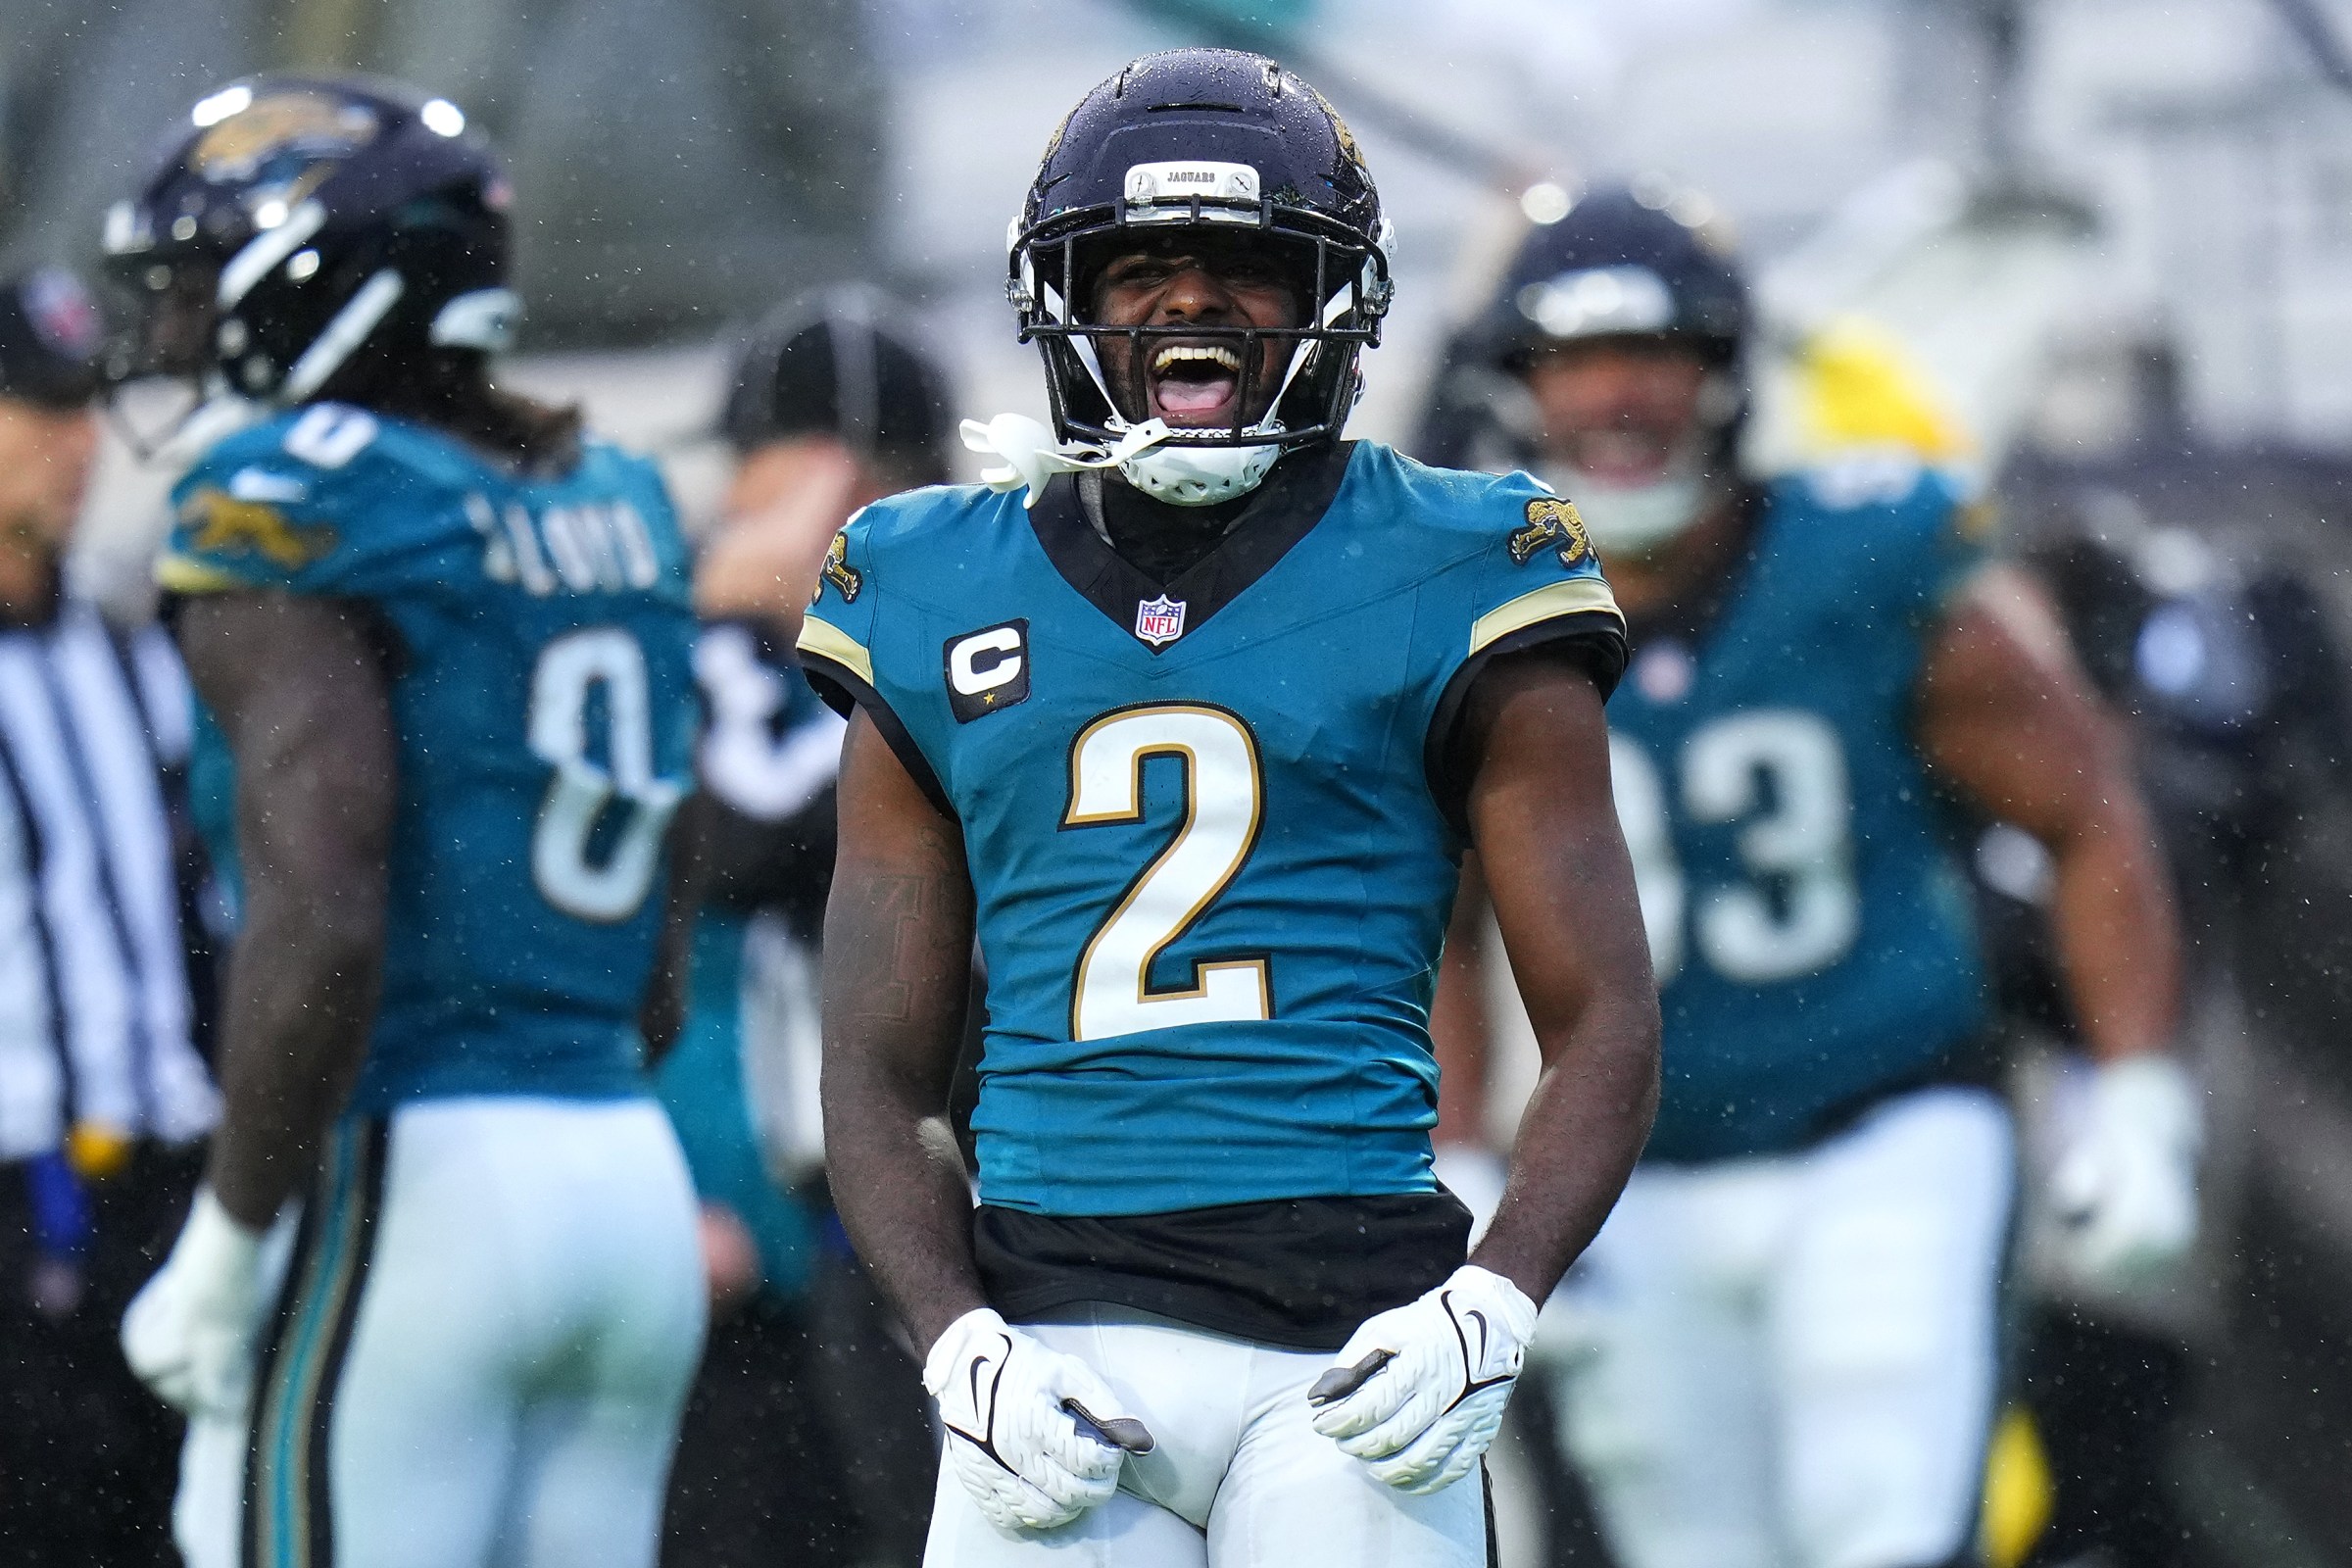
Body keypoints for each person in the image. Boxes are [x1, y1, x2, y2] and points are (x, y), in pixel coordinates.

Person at [799, 48, 1662, 1568]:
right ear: (1062, 296)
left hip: (1359, 1343)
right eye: (1137, 268)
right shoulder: (925, 577)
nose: (1188, 305)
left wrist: (1496, 1301)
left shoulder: (1464, 556)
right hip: (1054, 1348)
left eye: (1246, 268)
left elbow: (1602, 1016)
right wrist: (955, 1350)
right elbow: (877, 1073)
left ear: (1331, 301)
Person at [1423, 182, 2196, 1568]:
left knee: (1882, 1512)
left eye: (1650, 353)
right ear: (1513, 386)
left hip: (1881, 1123)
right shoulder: (1469, 610)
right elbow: (1434, 912)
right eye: (1572, 358)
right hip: (1626, 1169)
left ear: (1725, 370)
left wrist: (2138, 1092)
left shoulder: (1859, 556)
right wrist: (1460, 1153)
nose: (1613, 396)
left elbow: (2086, 814)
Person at [106, 76, 707, 1568]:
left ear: (306, 281)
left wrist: (232, 1243)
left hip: (413, 1167)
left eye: (193, 288)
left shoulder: (293, 493)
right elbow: (665, 916)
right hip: (624, 1174)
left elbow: (322, 900)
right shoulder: (616, 496)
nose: (173, 333)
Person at [659, 290, 951, 1568]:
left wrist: (742, 619)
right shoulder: (717, 653)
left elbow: (765, 840)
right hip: (756, 1230)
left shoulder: (910, 654)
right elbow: (742, 849)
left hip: (887, 1229)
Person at [0, 263, 219, 1567]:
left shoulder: (129, 645)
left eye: (90, 411)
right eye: (39, 412)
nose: (80, 449)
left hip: (163, 1181)